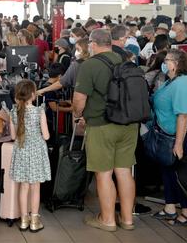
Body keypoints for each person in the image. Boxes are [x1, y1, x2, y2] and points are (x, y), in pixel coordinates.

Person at [73, 29, 138, 232]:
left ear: (92, 44)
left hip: (102, 125)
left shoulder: (90, 65)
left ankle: (108, 220)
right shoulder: (126, 60)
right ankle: (127, 220)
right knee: (124, 171)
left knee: (104, 173)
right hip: (129, 124)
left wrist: (78, 115)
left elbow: (79, 99)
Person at [150, 48, 187, 226]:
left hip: (181, 133)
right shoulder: (172, 82)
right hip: (168, 133)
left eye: (167, 60)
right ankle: (170, 207)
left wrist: (179, 143)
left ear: (176, 64)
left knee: (180, 171)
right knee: (168, 168)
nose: (164, 63)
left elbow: (183, 116)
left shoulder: (182, 84)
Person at [8, 80, 50, 232]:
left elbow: (13, 136)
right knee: (35, 187)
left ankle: (24, 220)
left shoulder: (13, 112)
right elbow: (46, 136)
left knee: (23, 187)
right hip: (36, 152)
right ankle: (34, 220)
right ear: (33, 95)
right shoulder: (39, 111)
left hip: (21, 152)